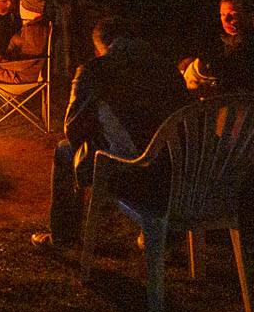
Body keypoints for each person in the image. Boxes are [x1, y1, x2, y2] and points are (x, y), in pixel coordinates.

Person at [33, 17, 190, 250]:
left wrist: (101, 129)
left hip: (133, 176)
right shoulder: (168, 69)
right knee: (147, 146)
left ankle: (63, 237)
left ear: (99, 47)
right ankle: (158, 230)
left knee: (65, 150)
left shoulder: (95, 70)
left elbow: (73, 129)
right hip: (180, 174)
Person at [180, 0, 254, 95]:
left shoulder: (252, 44)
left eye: (233, 14)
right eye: (222, 14)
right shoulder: (227, 41)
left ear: (248, 16)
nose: (226, 19)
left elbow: (231, 78)